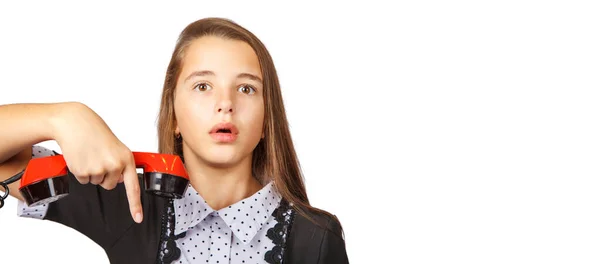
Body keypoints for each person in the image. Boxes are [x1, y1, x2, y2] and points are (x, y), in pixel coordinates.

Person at [0, 17, 348, 264]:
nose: (225, 103)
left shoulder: (316, 237)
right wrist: (62, 116)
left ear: (265, 119)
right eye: (202, 86)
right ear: (174, 115)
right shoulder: (125, 204)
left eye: (246, 88)